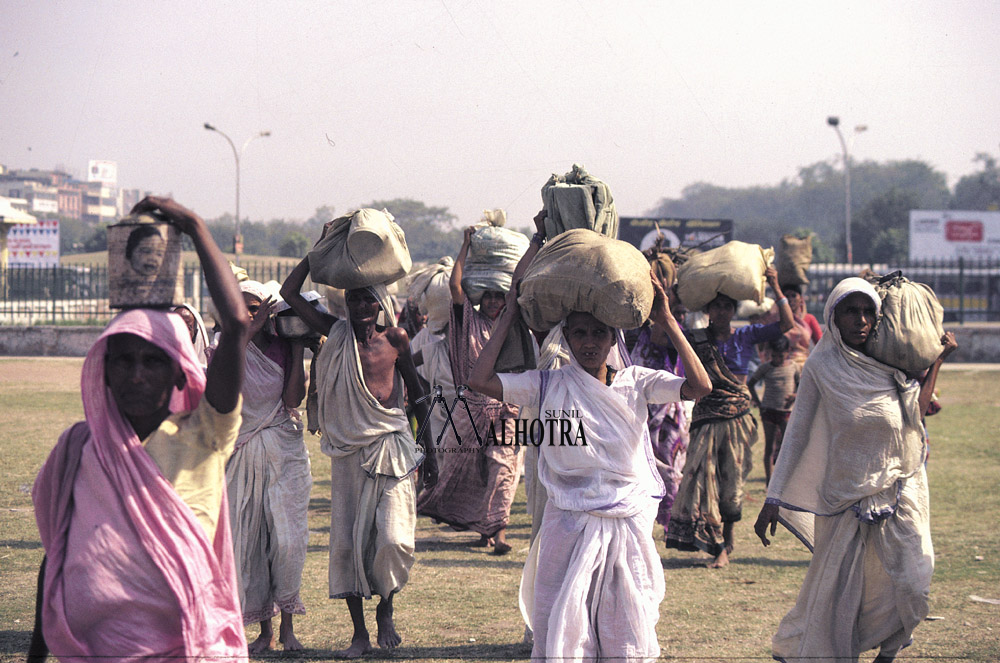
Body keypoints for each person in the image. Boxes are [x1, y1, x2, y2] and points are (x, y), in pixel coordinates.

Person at [28, 196, 250, 662]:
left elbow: (236, 324)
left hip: (189, 649)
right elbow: (59, 556)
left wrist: (193, 224)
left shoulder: (206, 432)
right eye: (123, 360)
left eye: (153, 361)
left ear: (178, 372)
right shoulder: (79, 449)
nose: (135, 375)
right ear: (103, 369)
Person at [469, 269, 711, 661]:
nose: (589, 342)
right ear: (566, 337)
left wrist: (666, 319)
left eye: (598, 333)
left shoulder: (636, 381)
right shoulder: (546, 383)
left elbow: (700, 388)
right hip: (567, 522)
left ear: (613, 337)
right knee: (564, 629)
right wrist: (510, 313)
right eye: (579, 333)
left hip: (626, 521)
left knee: (625, 631)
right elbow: (478, 379)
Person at [754, 277, 956, 663]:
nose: (861, 320)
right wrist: (773, 496)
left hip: (902, 485)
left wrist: (938, 363)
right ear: (834, 316)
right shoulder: (821, 366)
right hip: (846, 496)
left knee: (914, 581)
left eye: (868, 312)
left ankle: (891, 647)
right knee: (842, 592)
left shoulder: (889, 362)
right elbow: (796, 433)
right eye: (851, 311)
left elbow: (915, 413)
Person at [280, 259, 436, 659]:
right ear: (346, 304)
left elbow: (417, 395)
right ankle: (359, 634)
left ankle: (386, 606)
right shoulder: (335, 332)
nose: (361, 306)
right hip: (349, 452)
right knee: (349, 545)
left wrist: (430, 451)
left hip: (393, 445)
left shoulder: (396, 338)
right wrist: (316, 256)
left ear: (380, 302)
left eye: (367, 298)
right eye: (353, 299)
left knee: (393, 537)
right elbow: (289, 295)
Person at [666, 266, 794, 568]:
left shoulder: (746, 336)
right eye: (716, 306)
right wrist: (670, 296)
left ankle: (728, 538)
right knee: (703, 479)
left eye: (727, 306)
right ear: (709, 309)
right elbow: (665, 334)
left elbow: (786, 324)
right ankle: (718, 545)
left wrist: (775, 284)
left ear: (733, 310)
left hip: (737, 419)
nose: (721, 311)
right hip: (706, 417)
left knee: (731, 481)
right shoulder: (695, 339)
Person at [417, 222, 528, 554]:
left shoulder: (512, 326)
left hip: (507, 408)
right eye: (490, 296)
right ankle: (484, 530)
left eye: (500, 296)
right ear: (482, 297)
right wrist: (464, 244)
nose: (495, 302)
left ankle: (501, 534)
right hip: (469, 411)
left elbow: (520, 288)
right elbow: (455, 286)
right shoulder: (469, 322)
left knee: (504, 468)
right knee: (471, 472)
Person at [223, 280, 312, 653]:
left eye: (256, 307)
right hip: (243, 450)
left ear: (269, 308)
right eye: (241, 307)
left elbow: (293, 398)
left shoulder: (282, 344)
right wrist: (248, 333)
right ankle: (265, 631)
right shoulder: (226, 348)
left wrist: (294, 347)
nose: (249, 313)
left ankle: (289, 625)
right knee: (251, 541)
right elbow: (223, 384)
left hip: (283, 449)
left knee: (288, 542)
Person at [630, 282, 692, 537]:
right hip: (642, 409)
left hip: (668, 414)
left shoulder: (674, 333)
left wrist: (668, 313)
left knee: (669, 467)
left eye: (680, 313)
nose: (676, 317)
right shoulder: (641, 333)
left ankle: (670, 522)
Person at [747, 335, 801, 485]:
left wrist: (795, 395)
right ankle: (769, 482)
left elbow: (802, 385)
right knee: (769, 447)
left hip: (786, 411)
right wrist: (758, 402)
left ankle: (785, 480)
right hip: (768, 411)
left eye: (780, 356)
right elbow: (751, 383)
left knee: (786, 446)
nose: (777, 359)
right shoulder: (766, 367)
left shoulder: (794, 367)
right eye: (774, 356)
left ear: (788, 352)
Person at [781, 284, 822, 368]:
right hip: (782, 366)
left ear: (801, 299)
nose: (790, 299)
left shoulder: (809, 319)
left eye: (793, 296)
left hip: (803, 365)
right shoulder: (778, 319)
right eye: (787, 296)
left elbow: (821, 344)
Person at [173, 302, 210, 367]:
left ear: (195, 333)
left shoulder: (203, 372)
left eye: (187, 327)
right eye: (176, 325)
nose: (181, 331)